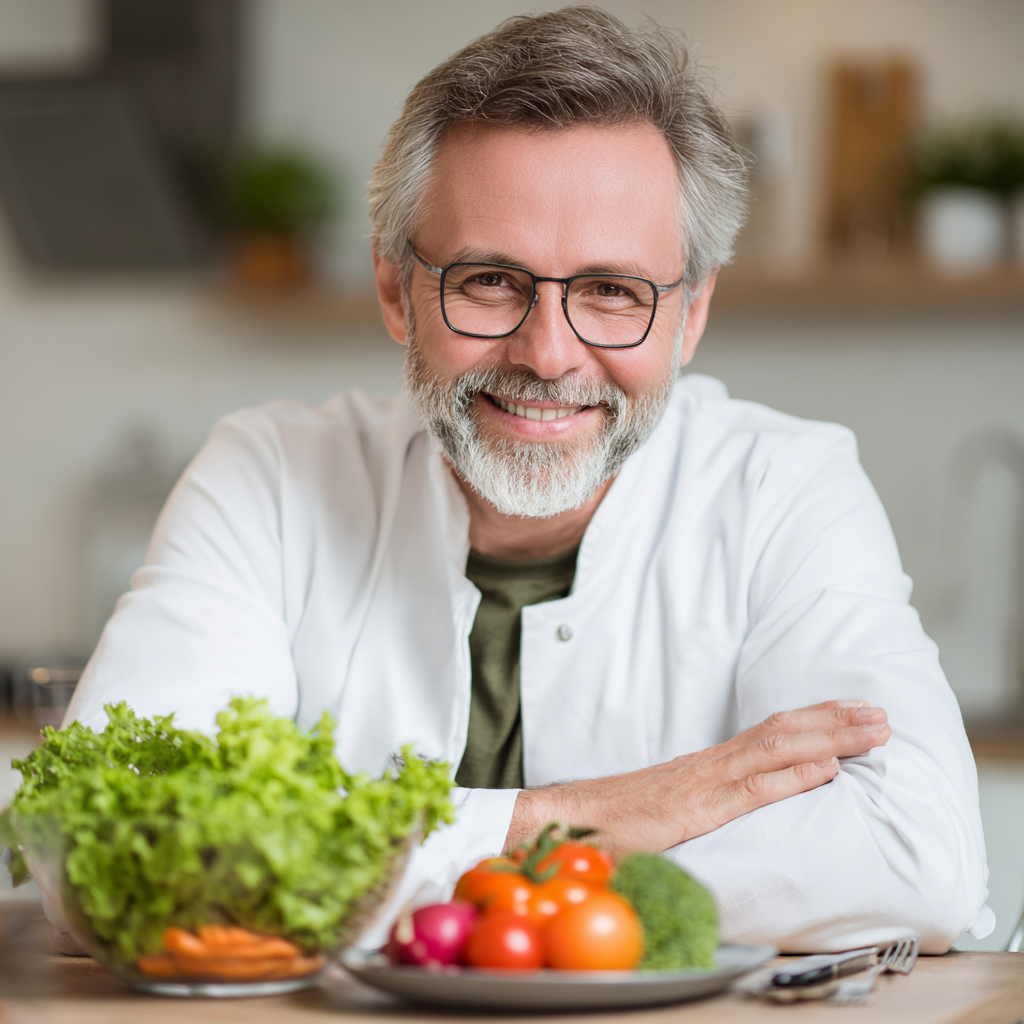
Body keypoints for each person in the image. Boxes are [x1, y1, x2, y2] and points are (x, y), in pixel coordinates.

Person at [65, 6, 990, 953]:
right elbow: (108, 846)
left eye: (612, 291)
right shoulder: (266, 479)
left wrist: (395, 871)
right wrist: (588, 819)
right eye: (489, 281)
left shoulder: (785, 485)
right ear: (396, 290)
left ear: (691, 315)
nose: (549, 356)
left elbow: (919, 859)